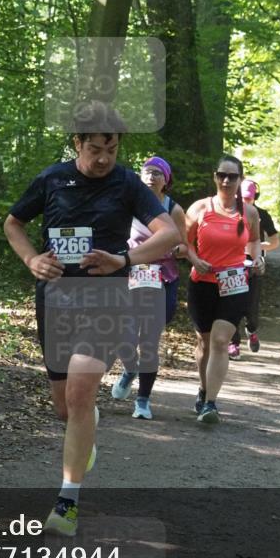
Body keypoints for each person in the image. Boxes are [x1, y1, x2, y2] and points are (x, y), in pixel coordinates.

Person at [3, 103, 179, 536]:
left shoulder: (128, 183)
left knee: (81, 392)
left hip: (106, 300)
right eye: (96, 149)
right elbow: (13, 223)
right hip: (56, 301)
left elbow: (171, 234)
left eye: (112, 150)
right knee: (65, 407)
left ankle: (67, 502)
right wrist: (31, 260)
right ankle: (84, 432)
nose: (104, 159)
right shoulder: (52, 179)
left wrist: (124, 259)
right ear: (77, 143)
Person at [109, 156, 188, 420]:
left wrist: (177, 249)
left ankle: (143, 401)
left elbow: (184, 244)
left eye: (157, 173)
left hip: (162, 279)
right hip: (131, 275)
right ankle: (130, 369)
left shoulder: (173, 209)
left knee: (149, 341)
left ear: (166, 180)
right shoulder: (128, 204)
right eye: (147, 172)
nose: (151, 177)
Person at [184, 156, 260, 423]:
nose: (226, 181)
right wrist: (195, 260)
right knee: (204, 343)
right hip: (202, 284)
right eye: (221, 175)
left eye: (232, 176)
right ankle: (203, 390)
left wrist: (256, 259)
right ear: (215, 177)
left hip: (235, 284)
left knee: (220, 341)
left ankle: (211, 404)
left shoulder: (249, 213)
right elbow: (184, 242)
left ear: (241, 179)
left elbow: (254, 241)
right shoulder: (200, 208)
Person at [228, 179, 279, 359]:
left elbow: (275, 242)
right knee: (232, 303)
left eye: (249, 198)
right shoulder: (230, 212)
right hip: (233, 265)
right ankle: (233, 343)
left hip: (255, 266)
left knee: (251, 306)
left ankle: (251, 330)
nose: (246, 201)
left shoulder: (262, 215)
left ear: (255, 196)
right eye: (243, 198)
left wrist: (257, 247)